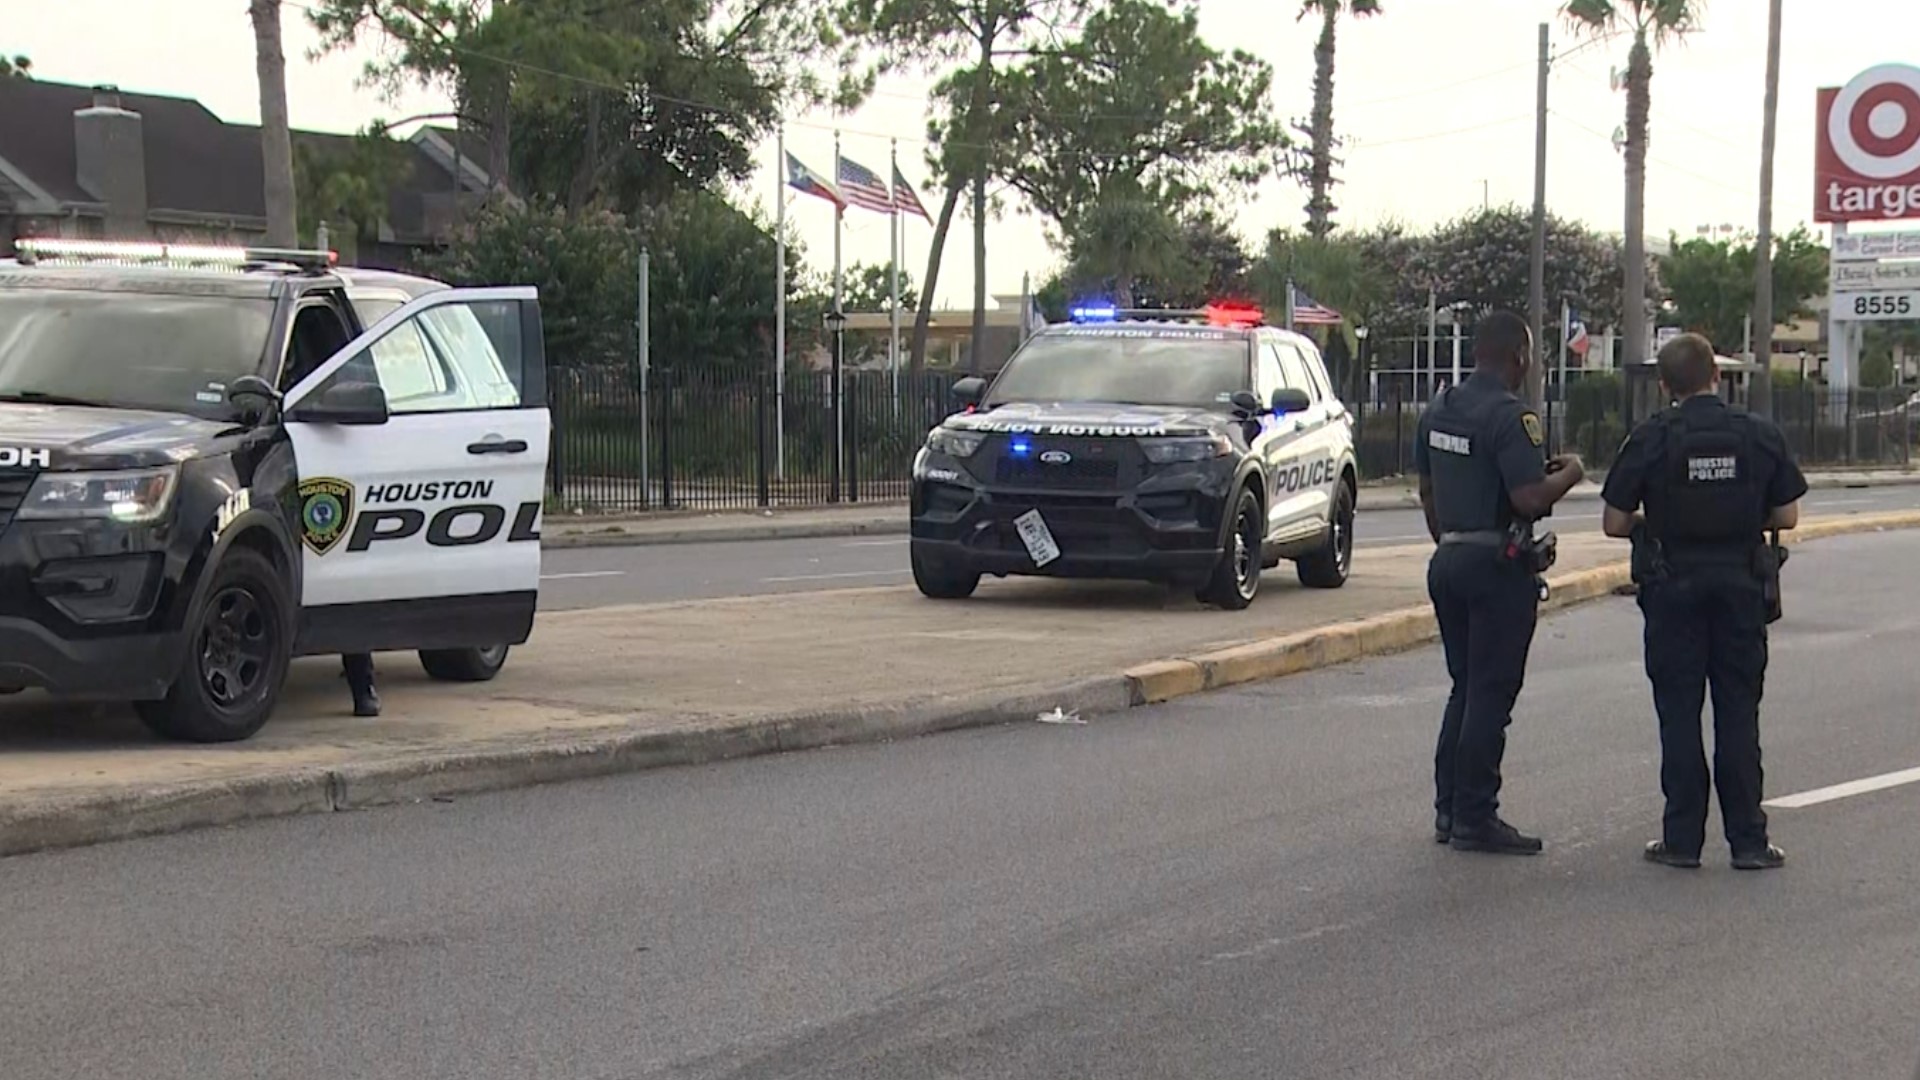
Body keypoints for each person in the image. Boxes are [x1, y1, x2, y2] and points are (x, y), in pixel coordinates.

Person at [1601, 333, 1805, 871]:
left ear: (1666, 384)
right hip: (1740, 587)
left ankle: (1682, 840)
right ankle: (1749, 842)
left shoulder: (1651, 438)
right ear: (1717, 375)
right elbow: (1786, 516)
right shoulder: (1757, 434)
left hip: (1673, 589)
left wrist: (1659, 521)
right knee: (1738, 714)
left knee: (1678, 715)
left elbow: (1614, 523)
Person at [1415, 310, 1586, 856]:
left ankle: (1449, 809)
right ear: (1518, 357)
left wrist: (1452, 541)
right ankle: (1475, 816)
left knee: (1465, 688)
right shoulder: (1512, 418)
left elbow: (1426, 492)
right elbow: (1529, 498)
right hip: (1495, 570)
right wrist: (1574, 471)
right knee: (1490, 695)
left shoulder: (1439, 409)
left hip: (1449, 562)